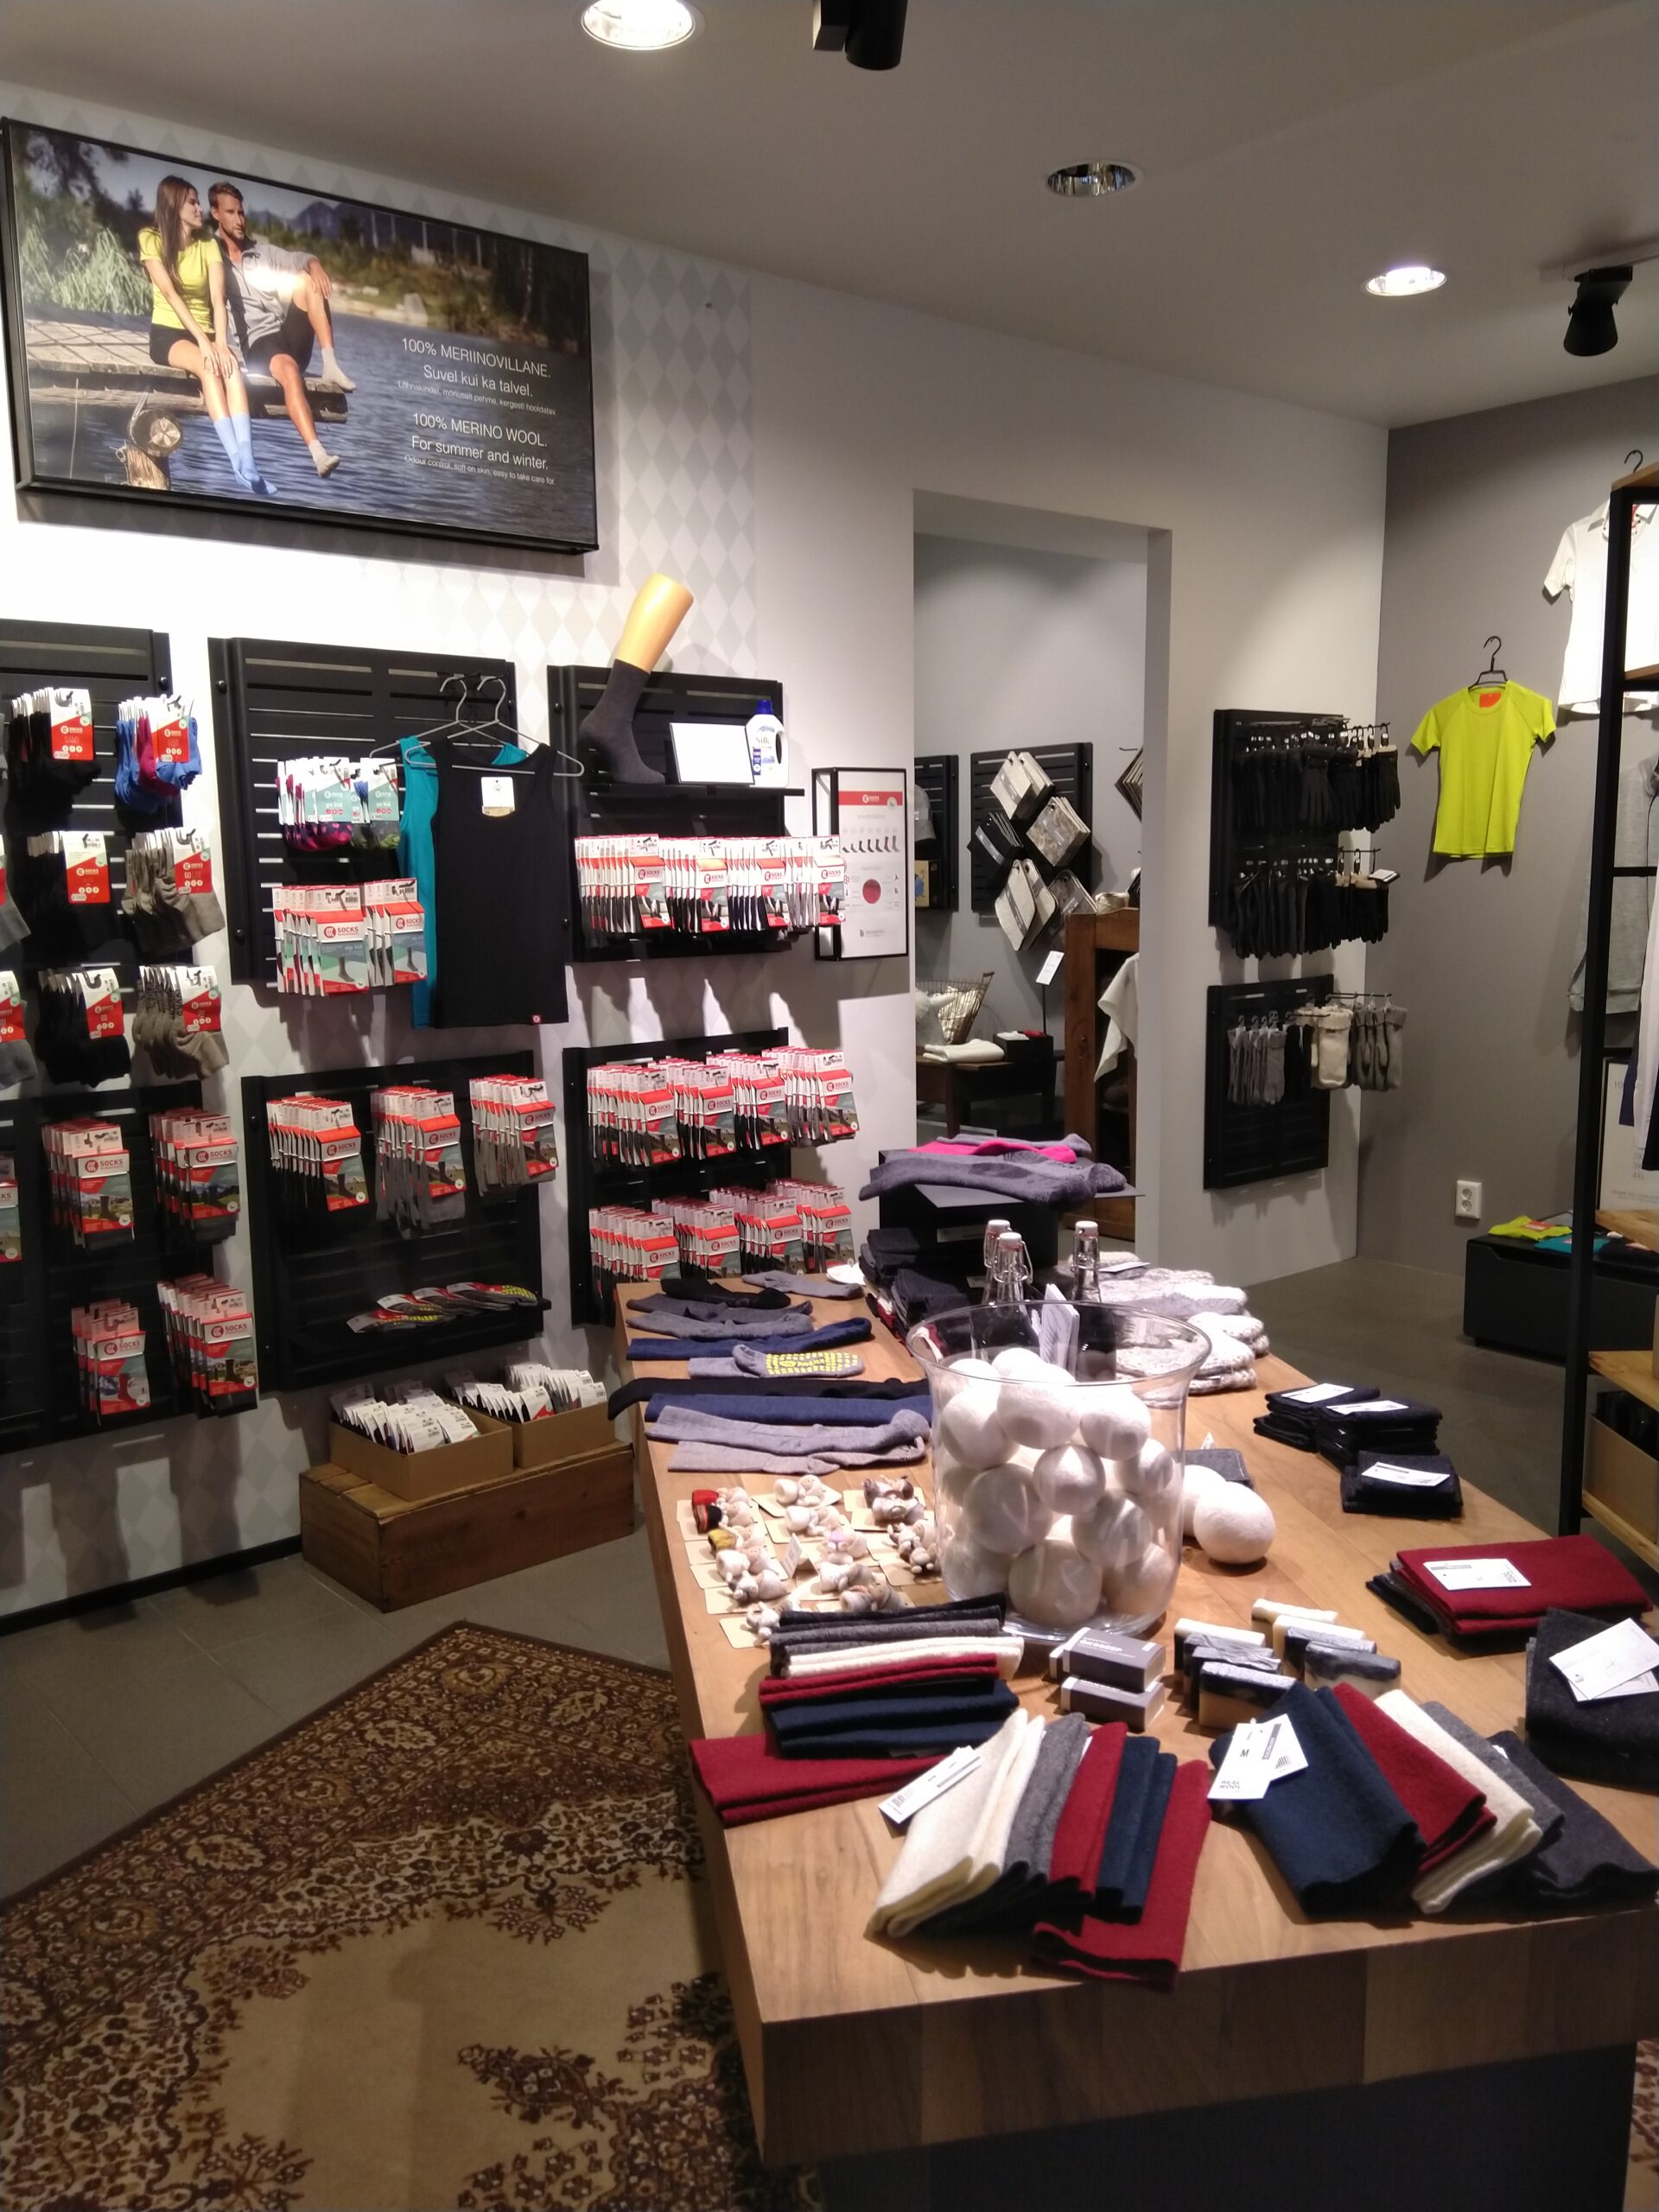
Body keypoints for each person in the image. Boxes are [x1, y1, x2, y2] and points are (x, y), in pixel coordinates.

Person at [207, 181, 353, 480]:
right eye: (231, 213)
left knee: (306, 280)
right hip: (257, 345)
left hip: (285, 335)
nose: (239, 220)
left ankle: (330, 364)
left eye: (241, 213)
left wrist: (315, 265)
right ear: (216, 214)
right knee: (288, 369)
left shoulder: (261, 252)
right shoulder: (211, 256)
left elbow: (300, 257)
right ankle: (318, 454)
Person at [137, 175, 270, 495]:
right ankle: (234, 460)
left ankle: (249, 459)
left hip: (209, 333)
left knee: (231, 368)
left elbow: (218, 301)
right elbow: (170, 294)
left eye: (199, 202)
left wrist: (220, 343)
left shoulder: (209, 245)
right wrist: (204, 344)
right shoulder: (150, 238)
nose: (200, 209)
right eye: (193, 203)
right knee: (209, 368)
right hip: (169, 332)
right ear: (174, 206)